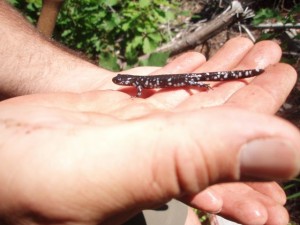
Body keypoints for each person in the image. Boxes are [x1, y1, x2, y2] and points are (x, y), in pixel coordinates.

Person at [0, 0, 299, 224]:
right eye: (120, 81)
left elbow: (144, 88)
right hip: (180, 82)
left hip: (186, 80)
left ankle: (252, 72)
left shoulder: (138, 85)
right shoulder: (135, 84)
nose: (120, 81)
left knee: (208, 80)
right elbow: (139, 87)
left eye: (121, 80)